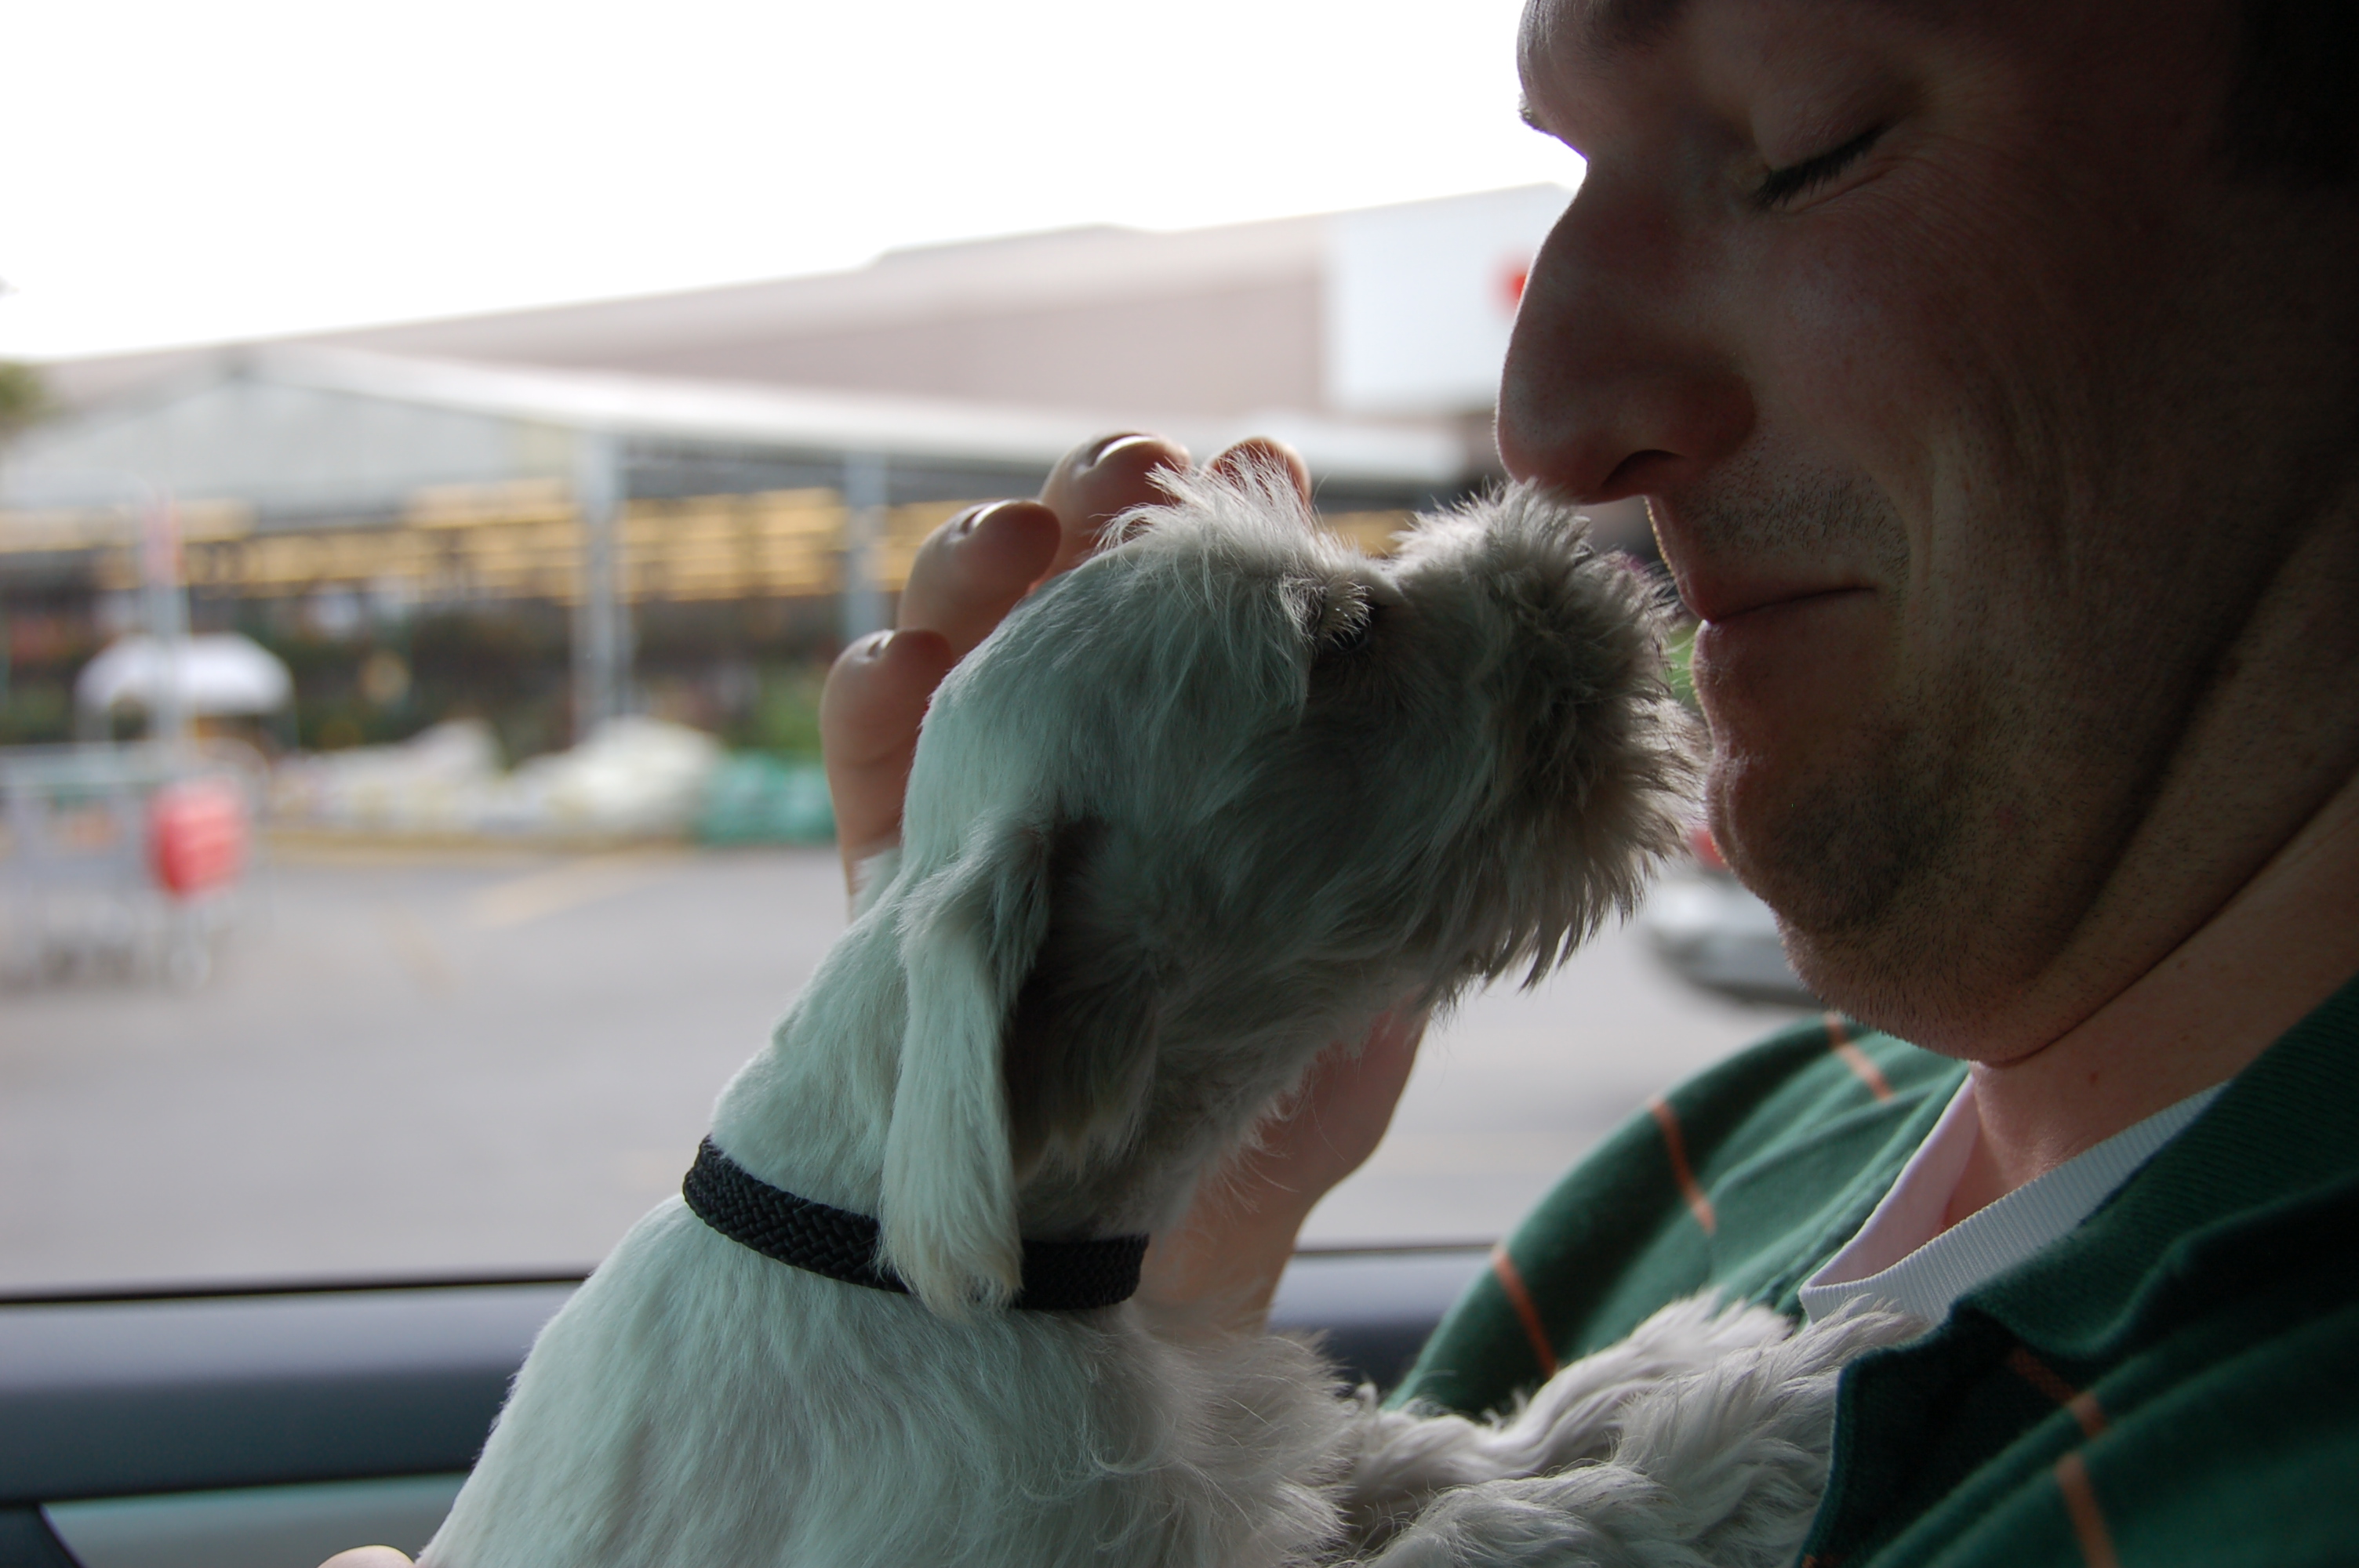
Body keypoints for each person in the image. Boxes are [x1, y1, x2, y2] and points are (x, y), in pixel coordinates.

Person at [326, 0, 2356, 1562]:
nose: (1543, 416)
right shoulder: (1721, 1151)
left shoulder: (2256, 1463)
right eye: (1574, 164)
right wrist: (1122, 1241)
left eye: (1803, 138)